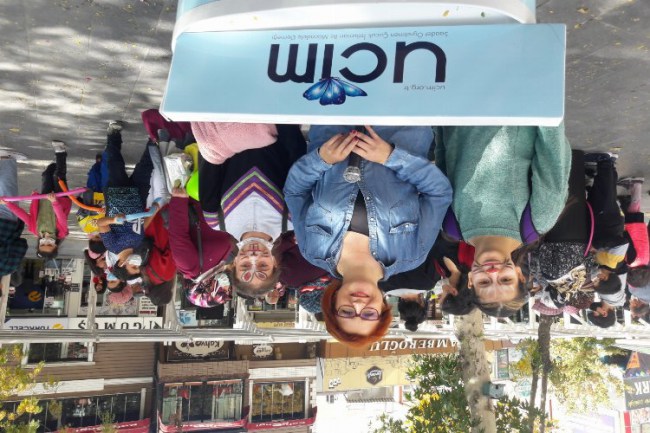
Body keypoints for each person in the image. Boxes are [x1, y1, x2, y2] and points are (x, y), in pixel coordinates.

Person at [285, 125, 452, 347]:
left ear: (333, 303)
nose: (358, 305)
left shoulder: (312, 251)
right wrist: (392, 157)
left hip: (333, 124)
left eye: (346, 312)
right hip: (404, 126)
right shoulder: (412, 255)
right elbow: (439, 193)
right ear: (383, 307)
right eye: (368, 314)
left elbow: (295, 192)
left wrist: (321, 160)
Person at [435, 124, 571, 317]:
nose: (492, 272)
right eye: (505, 280)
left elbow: (443, 157)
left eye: (484, 282)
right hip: (515, 108)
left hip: (454, 113)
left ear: (471, 280)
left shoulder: (450, 223)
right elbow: (553, 150)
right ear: (519, 275)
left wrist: (439, 122)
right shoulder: (539, 218)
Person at [198, 123, 306, 299]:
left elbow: (211, 158)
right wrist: (282, 121)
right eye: (263, 266)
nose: (254, 257)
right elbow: (297, 159)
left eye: (245, 266)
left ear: (234, 264)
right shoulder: (292, 218)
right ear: (274, 263)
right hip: (276, 122)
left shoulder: (215, 219)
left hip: (227, 121)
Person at [2, 141, 71, 259]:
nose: (46, 242)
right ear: (56, 245)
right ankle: (61, 152)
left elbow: (23, 215)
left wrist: (8, 204)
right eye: (49, 244)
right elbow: (61, 217)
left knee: (47, 175)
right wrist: (54, 202)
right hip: (60, 199)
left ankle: (56, 165)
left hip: (44, 198)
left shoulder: (35, 230)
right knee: (58, 176)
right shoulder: (61, 232)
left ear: (39, 244)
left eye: (42, 244)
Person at [0, 151, 29, 280]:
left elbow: (21, 245)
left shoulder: (7, 268)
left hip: (5, 225)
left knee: (7, 190)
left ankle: (7, 158)